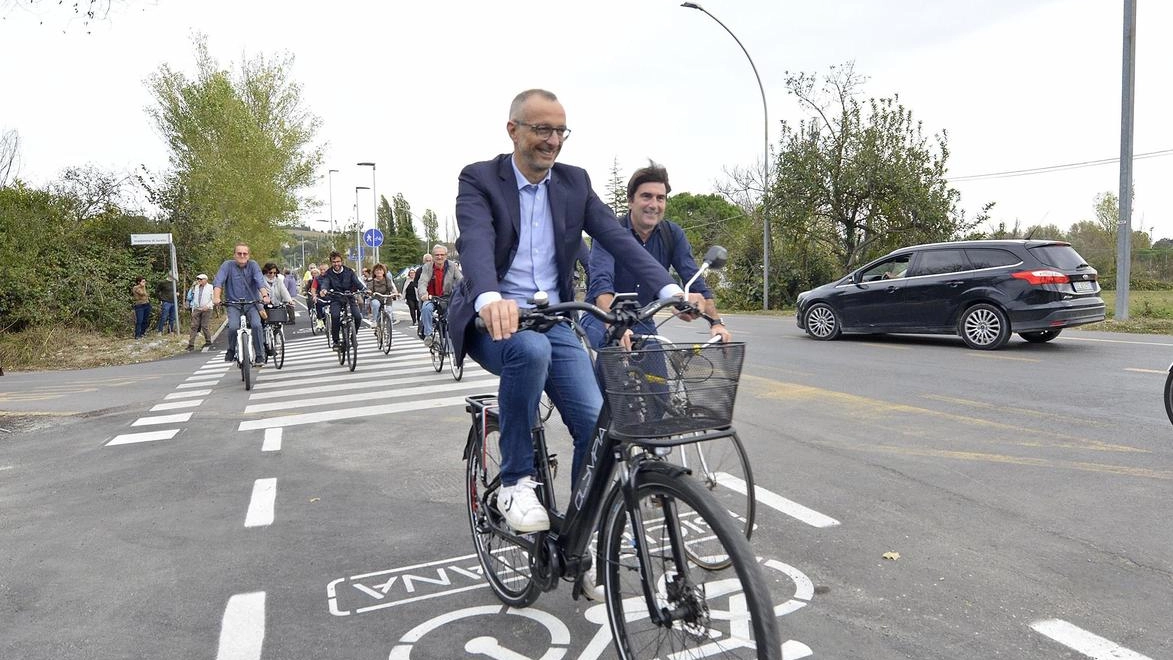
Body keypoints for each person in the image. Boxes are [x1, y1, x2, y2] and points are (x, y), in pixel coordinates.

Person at [451, 89, 695, 534]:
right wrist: (489, 297)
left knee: (596, 425)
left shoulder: (574, 183)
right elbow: (476, 241)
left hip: (554, 317)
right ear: (514, 130)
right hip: (496, 320)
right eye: (542, 129)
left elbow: (617, 238)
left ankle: (583, 538)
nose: (552, 140)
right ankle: (516, 482)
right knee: (529, 351)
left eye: (560, 130)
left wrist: (669, 288)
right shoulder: (480, 179)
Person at [583, 161, 732, 349]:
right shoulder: (610, 232)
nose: (654, 205)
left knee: (657, 376)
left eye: (660, 198)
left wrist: (716, 323)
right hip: (601, 316)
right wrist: (614, 324)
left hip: (644, 320)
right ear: (630, 201)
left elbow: (694, 281)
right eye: (646, 196)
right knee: (614, 359)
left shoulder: (673, 234)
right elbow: (601, 283)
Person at [212, 243, 271, 367]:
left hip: (252, 303)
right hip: (234, 304)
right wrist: (216, 297)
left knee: (256, 325)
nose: (242, 255)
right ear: (234, 255)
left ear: (248, 255)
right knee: (233, 327)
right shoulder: (227, 265)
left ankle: (260, 356)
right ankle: (231, 350)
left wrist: (265, 296)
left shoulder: (253, 265)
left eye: (245, 253)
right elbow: (218, 282)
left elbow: (260, 282)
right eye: (239, 253)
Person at [318, 251, 366, 346]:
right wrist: (323, 290)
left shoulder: (349, 272)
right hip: (336, 298)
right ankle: (336, 340)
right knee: (335, 317)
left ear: (342, 261)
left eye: (338, 261)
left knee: (358, 317)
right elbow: (325, 283)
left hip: (349, 297)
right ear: (331, 262)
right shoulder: (328, 273)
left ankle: (353, 335)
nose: (336, 264)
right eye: (334, 262)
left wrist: (364, 289)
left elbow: (357, 282)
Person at [417, 245, 462, 347]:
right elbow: (422, 281)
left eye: (442, 255)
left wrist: (467, 291)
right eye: (437, 255)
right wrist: (424, 294)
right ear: (433, 256)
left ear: (446, 256)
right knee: (426, 308)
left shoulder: (452, 266)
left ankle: (453, 337)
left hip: (447, 297)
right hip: (431, 297)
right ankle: (428, 334)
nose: (439, 257)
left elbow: (461, 280)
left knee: (453, 314)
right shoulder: (427, 267)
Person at [185, 273, 214, 351]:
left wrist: (207, 306)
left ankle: (208, 341)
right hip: (197, 308)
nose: (199, 281)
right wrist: (193, 309)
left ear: (205, 280)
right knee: (194, 326)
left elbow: (213, 299)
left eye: (200, 279)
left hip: (207, 309)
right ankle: (191, 345)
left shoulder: (210, 287)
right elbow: (194, 298)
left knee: (204, 325)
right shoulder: (196, 287)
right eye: (198, 279)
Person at [368, 263, 399, 335]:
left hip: (386, 299)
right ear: (374, 272)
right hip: (376, 298)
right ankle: (374, 321)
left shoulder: (387, 280)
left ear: (383, 271)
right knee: (376, 304)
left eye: (380, 270)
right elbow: (369, 289)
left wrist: (395, 293)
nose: (379, 272)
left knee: (389, 315)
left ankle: (389, 334)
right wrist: (369, 292)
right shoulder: (371, 281)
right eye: (377, 270)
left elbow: (391, 288)